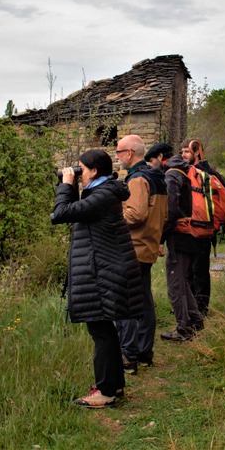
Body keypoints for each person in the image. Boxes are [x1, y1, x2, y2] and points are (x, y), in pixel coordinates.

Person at [51, 149, 143, 408]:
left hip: (103, 274)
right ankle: (113, 386)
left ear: (93, 171)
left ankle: (105, 391)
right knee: (104, 330)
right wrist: (72, 186)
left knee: (101, 331)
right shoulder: (104, 192)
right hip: (104, 271)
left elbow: (61, 213)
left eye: (81, 169)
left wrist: (66, 185)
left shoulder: (102, 195)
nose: (78, 174)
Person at [114, 135, 168, 374]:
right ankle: (144, 352)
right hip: (148, 245)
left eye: (119, 152)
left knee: (126, 303)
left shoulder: (137, 179)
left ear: (129, 153)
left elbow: (135, 214)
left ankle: (129, 356)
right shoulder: (158, 176)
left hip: (133, 247)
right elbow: (164, 216)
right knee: (144, 302)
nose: (116, 157)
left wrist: (110, 221)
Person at [160, 140, 209, 342]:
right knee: (184, 283)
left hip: (179, 237)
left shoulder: (172, 176)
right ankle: (196, 321)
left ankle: (183, 329)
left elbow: (170, 210)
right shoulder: (187, 174)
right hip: (193, 234)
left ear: (163, 161)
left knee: (175, 285)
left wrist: (160, 238)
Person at [182, 139, 225, 318]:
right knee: (190, 270)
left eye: (187, 151)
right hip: (193, 227)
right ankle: (193, 306)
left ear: (196, 152)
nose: (183, 155)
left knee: (199, 270)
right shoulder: (195, 173)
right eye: (182, 152)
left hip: (203, 228)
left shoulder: (203, 174)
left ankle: (200, 308)